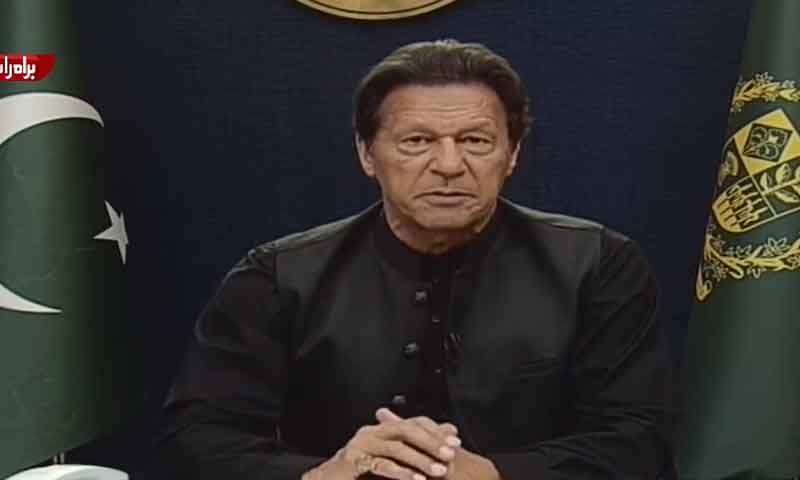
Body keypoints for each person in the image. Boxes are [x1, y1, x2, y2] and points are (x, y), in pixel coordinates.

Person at [153, 39, 676, 480]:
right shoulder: (277, 276)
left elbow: (641, 436)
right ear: (367, 154)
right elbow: (194, 437)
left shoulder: (598, 265)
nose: (449, 164)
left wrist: (496, 474)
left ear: (512, 154)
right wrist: (321, 475)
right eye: (417, 141)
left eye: (475, 140)